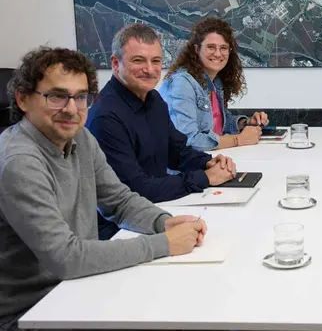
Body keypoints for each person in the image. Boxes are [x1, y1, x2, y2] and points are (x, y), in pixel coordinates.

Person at [0, 47, 206, 331]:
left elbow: (118, 200)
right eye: (57, 96)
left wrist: (163, 222)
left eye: (81, 97)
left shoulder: (80, 137)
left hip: (79, 289)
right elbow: (66, 258)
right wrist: (165, 244)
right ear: (23, 99)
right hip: (32, 312)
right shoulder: (19, 161)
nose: (71, 109)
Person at [86, 23, 235, 240]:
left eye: (155, 61)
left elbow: (178, 151)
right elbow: (136, 189)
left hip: (157, 210)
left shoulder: (154, 100)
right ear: (115, 63)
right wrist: (204, 177)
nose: (149, 69)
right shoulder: (106, 117)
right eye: (139, 60)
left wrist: (208, 162)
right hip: (120, 231)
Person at [159, 18, 268, 151]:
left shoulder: (215, 81)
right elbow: (187, 141)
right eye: (211, 47)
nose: (217, 54)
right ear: (196, 49)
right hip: (183, 170)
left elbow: (220, 124)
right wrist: (238, 139)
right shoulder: (182, 83)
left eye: (223, 48)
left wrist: (245, 123)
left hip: (210, 161)